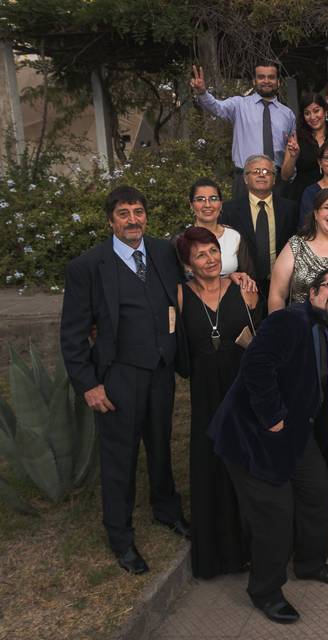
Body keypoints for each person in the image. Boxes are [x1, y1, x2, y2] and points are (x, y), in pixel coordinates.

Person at [208, 269, 328, 624]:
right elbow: (257, 365)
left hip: (292, 434)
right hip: (252, 435)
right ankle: (265, 591)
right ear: (312, 292)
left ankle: (310, 563)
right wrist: (272, 418)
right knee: (275, 515)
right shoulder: (289, 320)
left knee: (318, 490)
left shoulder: (324, 330)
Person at [60, 186, 189, 575]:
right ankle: (120, 535)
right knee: (120, 458)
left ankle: (166, 510)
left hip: (161, 372)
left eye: (137, 212)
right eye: (123, 214)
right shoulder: (88, 267)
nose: (132, 219)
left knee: (161, 446)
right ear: (110, 221)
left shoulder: (165, 252)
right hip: (118, 377)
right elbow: (73, 333)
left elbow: (185, 295)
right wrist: (88, 384)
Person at [175, 227, 258, 579]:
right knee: (211, 465)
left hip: (242, 388)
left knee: (246, 465)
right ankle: (214, 557)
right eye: (201, 255)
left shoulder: (244, 288)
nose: (210, 260)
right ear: (187, 263)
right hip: (206, 391)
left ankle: (251, 550)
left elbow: (259, 337)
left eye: (213, 252)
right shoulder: (179, 296)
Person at [190, 63, 296, 198]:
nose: (266, 81)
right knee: (242, 219)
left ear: (278, 82)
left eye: (271, 77)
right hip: (245, 180)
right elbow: (217, 107)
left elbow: (291, 149)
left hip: (277, 181)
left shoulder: (288, 114)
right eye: (261, 77)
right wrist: (202, 93)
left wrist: (291, 176)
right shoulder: (239, 105)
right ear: (254, 81)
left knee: (278, 219)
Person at [220, 155, 299, 295]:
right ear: (245, 178)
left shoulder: (290, 209)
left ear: (274, 179)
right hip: (243, 284)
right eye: (256, 171)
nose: (262, 175)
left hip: (282, 283)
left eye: (267, 172)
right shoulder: (229, 211)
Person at [279, 94, 328, 205]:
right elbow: (285, 176)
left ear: (325, 111)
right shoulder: (296, 140)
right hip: (302, 196)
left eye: (316, 111)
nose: (312, 117)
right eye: (307, 113)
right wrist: (293, 157)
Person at [183, 177, 252, 276]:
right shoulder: (182, 240)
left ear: (221, 204)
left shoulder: (234, 236)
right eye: (200, 199)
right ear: (191, 205)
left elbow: (249, 277)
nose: (207, 205)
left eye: (213, 199)